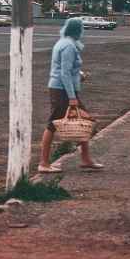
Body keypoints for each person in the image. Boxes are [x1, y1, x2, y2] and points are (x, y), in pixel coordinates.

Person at [38, 17, 104, 173]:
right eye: (81, 29)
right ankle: (43, 163)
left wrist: (79, 75)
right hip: (63, 91)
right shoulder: (68, 46)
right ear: (77, 30)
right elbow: (65, 73)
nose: (83, 32)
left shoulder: (63, 42)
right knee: (52, 124)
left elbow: (65, 69)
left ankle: (86, 159)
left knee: (84, 121)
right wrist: (72, 97)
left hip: (62, 89)